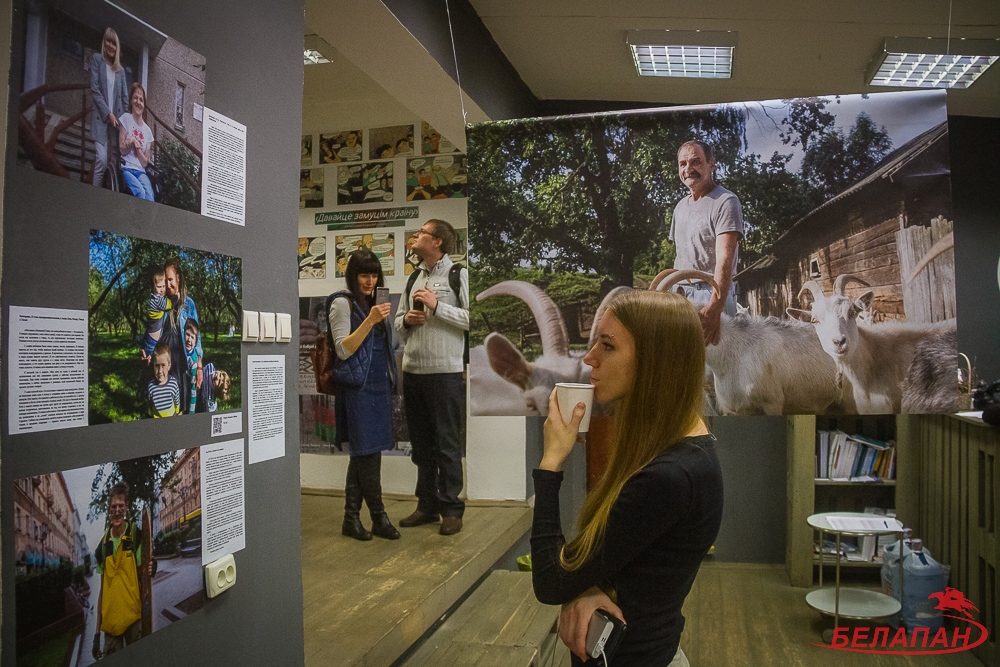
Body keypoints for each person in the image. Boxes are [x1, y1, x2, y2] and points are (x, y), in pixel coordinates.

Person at [531, 290, 723, 666]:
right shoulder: (680, 449)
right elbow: (631, 562)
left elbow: (551, 581)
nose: (589, 359)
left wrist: (551, 461)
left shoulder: (669, 477)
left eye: (607, 346)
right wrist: (589, 586)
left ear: (656, 361)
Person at [393, 220, 469, 536]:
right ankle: (426, 506)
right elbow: (397, 322)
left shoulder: (458, 274)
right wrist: (407, 320)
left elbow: (472, 319)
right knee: (422, 445)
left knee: (447, 445)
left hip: (446, 373)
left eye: (422, 232)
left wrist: (438, 307)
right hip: (413, 373)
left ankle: (451, 510)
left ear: (437, 242)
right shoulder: (414, 277)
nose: (416, 235)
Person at [329, 250, 400, 541]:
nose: (370, 281)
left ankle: (351, 518)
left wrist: (382, 319)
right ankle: (379, 516)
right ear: (353, 276)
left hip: (378, 386)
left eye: (374, 275)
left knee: (366, 454)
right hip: (356, 388)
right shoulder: (341, 304)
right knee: (366, 453)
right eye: (364, 275)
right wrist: (370, 321)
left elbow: (388, 346)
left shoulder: (376, 304)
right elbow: (343, 349)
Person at [669, 140, 744, 346]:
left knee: (714, 368)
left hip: (710, 294)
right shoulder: (680, 208)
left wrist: (714, 308)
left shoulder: (725, 201)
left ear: (711, 164)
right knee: (683, 362)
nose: (688, 169)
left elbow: (725, 260)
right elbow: (682, 258)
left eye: (696, 162)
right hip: (681, 294)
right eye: (682, 164)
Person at [92, 482, 154, 659]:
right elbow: (102, 591)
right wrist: (96, 635)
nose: (117, 510)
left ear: (126, 507)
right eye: (114, 506)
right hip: (111, 626)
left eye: (121, 506)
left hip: (134, 619)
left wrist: (152, 566)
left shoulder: (135, 535)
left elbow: (144, 571)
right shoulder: (103, 546)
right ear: (109, 509)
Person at [89, 28, 128, 188]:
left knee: (114, 161)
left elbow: (125, 98)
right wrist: (108, 114)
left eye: (114, 43)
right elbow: (95, 89)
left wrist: (125, 122)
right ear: (104, 42)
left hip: (116, 123)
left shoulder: (121, 71)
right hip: (101, 118)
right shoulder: (97, 60)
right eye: (108, 41)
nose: (111, 46)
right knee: (102, 160)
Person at [163, 258, 202, 402]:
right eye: (165, 281)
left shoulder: (189, 304)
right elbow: (153, 328)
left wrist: (199, 367)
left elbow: (197, 337)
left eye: (170, 279)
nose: (168, 284)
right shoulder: (162, 303)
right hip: (166, 361)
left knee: (183, 403)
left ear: (178, 278)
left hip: (183, 363)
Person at [118, 82, 155, 201]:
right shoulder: (125, 119)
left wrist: (136, 146)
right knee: (140, 192)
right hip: (127, 168)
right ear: (130, 101)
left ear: (144, 105)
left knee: (150, 197)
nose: (138, 102)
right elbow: (122, 150)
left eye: (141, 100)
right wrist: (132, 142)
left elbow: (144, 163)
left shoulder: (148, 131)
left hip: (141, 172)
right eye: (135, 98)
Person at [140, 269, 172, 362]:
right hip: (152, 341)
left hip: (149, 336)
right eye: (159, 287)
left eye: (163, 286)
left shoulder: (152, 298)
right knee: (152, 361)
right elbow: (170, 304)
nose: (162, 289)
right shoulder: (158, 301)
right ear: (153, 287)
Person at [147, 342, 180, 418]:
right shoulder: (151, 386)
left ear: (169, 366)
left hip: (171, 417)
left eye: (163, 366)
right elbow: (149, 403)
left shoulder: (173, 383)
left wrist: (177, 412)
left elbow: (177, 400)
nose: (160, 371)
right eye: (157, 366)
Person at [183, 319, 201, 414]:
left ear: (195, 342)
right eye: (187, 335)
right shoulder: (181, 352)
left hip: (188, 393)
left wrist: (191, 411)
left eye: (192, 337)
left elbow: (193, 391)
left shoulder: (193, 362)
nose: (189, 339)